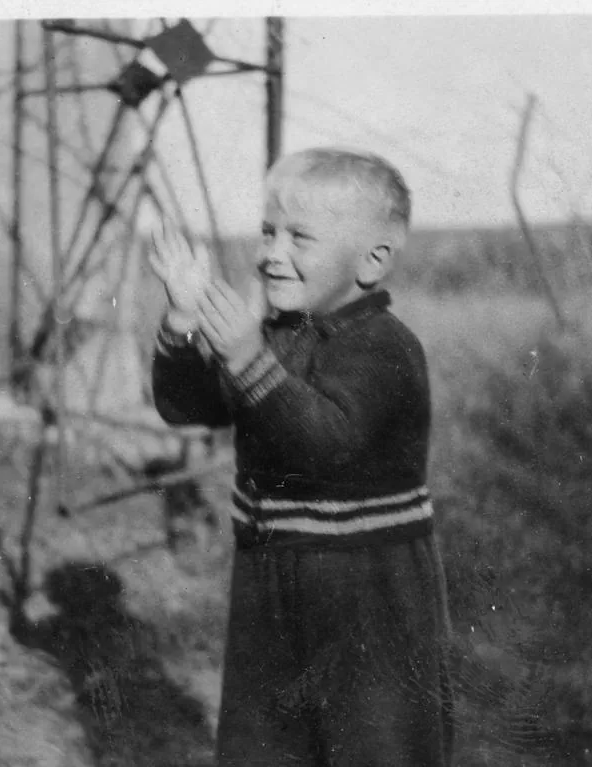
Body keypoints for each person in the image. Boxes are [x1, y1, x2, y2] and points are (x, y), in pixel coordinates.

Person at [149, 147, 453, 767]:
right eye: (267, 232)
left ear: (372, 262)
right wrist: (183, 320)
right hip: (271, 580)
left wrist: (246, 359)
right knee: (266, 745)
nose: (269, 254)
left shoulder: (384, 348)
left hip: (367, 591)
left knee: (376, 746)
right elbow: (188, 408)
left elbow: (325, 445)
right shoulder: (280, 336)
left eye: (299, 238)